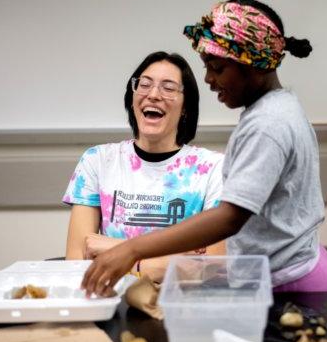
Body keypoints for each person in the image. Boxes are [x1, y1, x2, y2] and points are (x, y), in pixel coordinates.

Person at [81, 0, 327, 296]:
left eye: (217, 67)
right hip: (290, 272)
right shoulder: (276, 108)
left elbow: (230, 217)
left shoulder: (268, 124)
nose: (207, 79)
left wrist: (132, 250)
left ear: (254, 63)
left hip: (293, 285)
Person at [63, 51, 225, 282]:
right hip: (111, 302)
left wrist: (119, 252)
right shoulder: (98, 161)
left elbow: (211, 269)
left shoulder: (213, 168)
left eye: (168, 88)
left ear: (186, 106)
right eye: (144, 84)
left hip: (181, 306)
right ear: (132, 97)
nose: (153, 95)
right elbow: (78, 265)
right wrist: (179, 259)